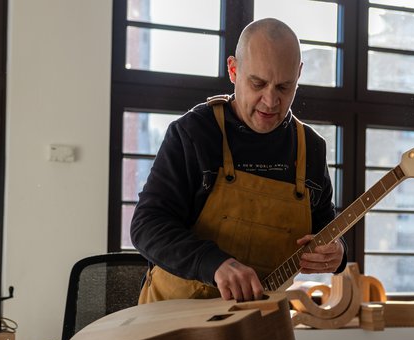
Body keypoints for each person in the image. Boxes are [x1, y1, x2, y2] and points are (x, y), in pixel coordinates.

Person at [131, 18, 347, 304]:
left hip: (254, 327)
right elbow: (147, 225)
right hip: (172, 320)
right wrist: (214, 263)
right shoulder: (194, 133)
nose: (270, 101)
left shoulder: (312, 148)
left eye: (284, 87)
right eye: (258, 83)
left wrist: (338, 252)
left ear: (299, 75)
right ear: (233, 70)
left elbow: (324, 227)